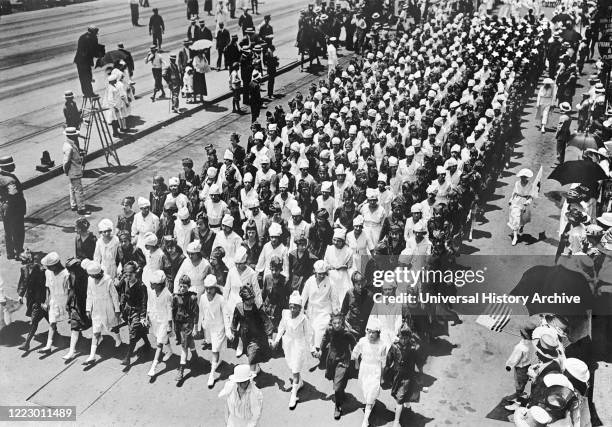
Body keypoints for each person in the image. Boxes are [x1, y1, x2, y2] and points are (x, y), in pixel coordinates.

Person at [272, 291, 313, 409]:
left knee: (295, 368)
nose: (292, 308)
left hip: (299, 344)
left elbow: (309, 334)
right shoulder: (285, 315)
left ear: (300, 308)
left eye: (295, 306)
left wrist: (312, 348)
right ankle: (300, 382)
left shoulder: (303, 318)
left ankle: (293, 395)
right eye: (291, 306)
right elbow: (281, 328)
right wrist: (276, 341)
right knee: (292, 366)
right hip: (288, 343)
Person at [383, 324, 424, 427]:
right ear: (399, 337)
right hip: (396, 375)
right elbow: (388, 361)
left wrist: (420, 373)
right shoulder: (394, 346)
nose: (404, 340)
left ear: (409, 337)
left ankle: (396, 421)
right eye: (402, 338)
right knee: (396, 393)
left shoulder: (413, 348)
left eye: (406, 338)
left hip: (407, 376)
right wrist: (385, 374)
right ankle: (408, 405)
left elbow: (419, 362)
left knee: (400, 398)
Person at [82, 259, 121, 364]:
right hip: (96, 308)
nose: (91, 277)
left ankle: (118, 339)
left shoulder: (108, 280)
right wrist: (88, 308)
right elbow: (89, 294)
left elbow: (114, 295)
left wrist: (117, 309)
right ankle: (92, 356)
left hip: (107, 306)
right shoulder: (90, 280)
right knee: (96, 331)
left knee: (113, 325)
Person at [230, 285, 274, 375]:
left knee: (252, 355)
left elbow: (266, 321)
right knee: (250, 354)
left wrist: (269, 337)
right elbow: (235, 320)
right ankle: (256, 367)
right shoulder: (239, 308)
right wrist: (233, 332)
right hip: (245, 336)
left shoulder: (257, 308)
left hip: (256, 336)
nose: (251, 301)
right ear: (243, 300)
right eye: (249, 299)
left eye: (252, 298)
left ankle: (251, 376)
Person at [351, 317, 388, 427]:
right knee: (365, 390)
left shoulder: (382, 345)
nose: (371, 335)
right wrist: (357, 362)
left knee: (372, 391)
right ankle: (370, 403)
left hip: (375, 370)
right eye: (369, 332)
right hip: (364, 369)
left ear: (378, 333)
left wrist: (382, 376)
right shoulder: (363, 341)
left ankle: (365, 419)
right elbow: (355, 352)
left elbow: (383, 362)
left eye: (374, 332)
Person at [117, 261, 150, 368]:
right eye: (126, 274)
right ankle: (148, 345)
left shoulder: (141, 286)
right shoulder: (125, 281)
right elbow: (119, 290)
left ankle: (128, 357)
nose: (128, 276)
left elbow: (144, 303)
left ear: (136, 273)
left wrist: (142, 317)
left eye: (130, 274)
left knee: (133, 332)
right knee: (136, 329)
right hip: (128, 310)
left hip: (137, 311)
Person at [199, 274, 231, 387]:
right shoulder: (203, 297)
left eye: (211, 288)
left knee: (215, 350)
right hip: (208, 327)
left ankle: (211, 375)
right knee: (213, 347)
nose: (208, 290)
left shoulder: (221, 299)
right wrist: (200, 325)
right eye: (206, 288)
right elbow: (201, 312)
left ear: (215, 287)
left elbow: (226, 315)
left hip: (219, 328)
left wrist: (228, 331)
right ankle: (218, 361)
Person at [37, 253, 70, 354]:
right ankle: (48, 346)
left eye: (49, 266)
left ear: (55, 265)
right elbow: (47, 287)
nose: (47, 268)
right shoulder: (48, 272)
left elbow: (70, 290)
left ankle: (78, 337)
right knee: (52, 322)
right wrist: (47, 301)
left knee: (74, 322)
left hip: (65, 301)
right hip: (54, 301)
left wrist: (69, 303)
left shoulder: (66, 274)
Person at [17, 250, 48, 352]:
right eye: (22, 260)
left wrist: (45, 299)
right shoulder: (24, 269)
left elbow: (46, 285)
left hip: (39, 298)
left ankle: (27, 343)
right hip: (30, 297)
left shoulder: (40, 269)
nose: (24, 262)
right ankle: (54, 328)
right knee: (44, 314)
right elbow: (23, 282)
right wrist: (21, 295)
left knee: (34, 320)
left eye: (25, 260)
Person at [172, 274, 200, 382]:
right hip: (179, 324)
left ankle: (181, 370)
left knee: (184, 346)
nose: (182, 288)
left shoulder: (192, 298)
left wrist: (195, 328)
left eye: (185, 286)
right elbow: (173, 312)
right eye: (181, 286)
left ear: (188, 287)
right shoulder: (175, 297)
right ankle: (195, 355)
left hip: (188, 324)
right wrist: (175, 328)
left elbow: (195, 313)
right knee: (187, 342)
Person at [146, 270, 174, 377]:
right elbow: (149, 303)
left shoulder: (167, 295)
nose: (150, 285)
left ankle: (154, 367)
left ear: (159, 285)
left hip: (164, 321)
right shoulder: (151, 291)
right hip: (154, 319)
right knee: (160, 337)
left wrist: (170, 325)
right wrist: (147, 317)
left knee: (159, 343)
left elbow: (169, 310)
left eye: (153, 284)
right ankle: (170, 351)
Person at [63, 258, 91, 360]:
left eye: (70, 269)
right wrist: (68, 302)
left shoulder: (85, 277)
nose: (68, 272)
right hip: (75, 304)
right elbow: (71, 290)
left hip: (84, 303)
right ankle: (71, 351)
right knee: (74, 326)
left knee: (91, 322)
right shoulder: (71, 275)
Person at [0, 156, 26, 261]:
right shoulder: (10, 180)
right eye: (12, 164)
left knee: (8, 231)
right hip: (14, 209)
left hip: (4, 208)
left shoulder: (1, 177)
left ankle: (10, 253)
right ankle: (19, 251)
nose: (14, 165)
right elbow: (13, 195)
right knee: (18, 230)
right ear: (7, 166)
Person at [62, 127, 87, 215]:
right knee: (78, 190)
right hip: (74, 171)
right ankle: (81, 208)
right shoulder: (69, 147)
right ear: (72, 136)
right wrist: (66, 170)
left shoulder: (69, 144)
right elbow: (67, 161)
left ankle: (73, 204)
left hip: (72, 170)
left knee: (72, 188)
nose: (76, 136)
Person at [507, 168, 534, 246]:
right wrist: (510, 199)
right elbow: (514, 193)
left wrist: (527, 202)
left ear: (527, 177)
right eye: (521, 177)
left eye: (524, 177)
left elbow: (531, 196)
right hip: (516, 202)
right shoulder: (517, 183)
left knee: (522, 218)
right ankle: (515, 237)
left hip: (525, 202)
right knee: (515, 218)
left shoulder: (530, 185)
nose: (523, 178)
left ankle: (521, 226)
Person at [73, 26, 102, 98]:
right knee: (88, 77)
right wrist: (99, 55)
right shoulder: (93, 38)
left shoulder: (82, 36)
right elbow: (93, 50)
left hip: (79, 60)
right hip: (85, 61)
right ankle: (90, 93)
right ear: (93, 32)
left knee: (82, 77)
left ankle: (86, 93)